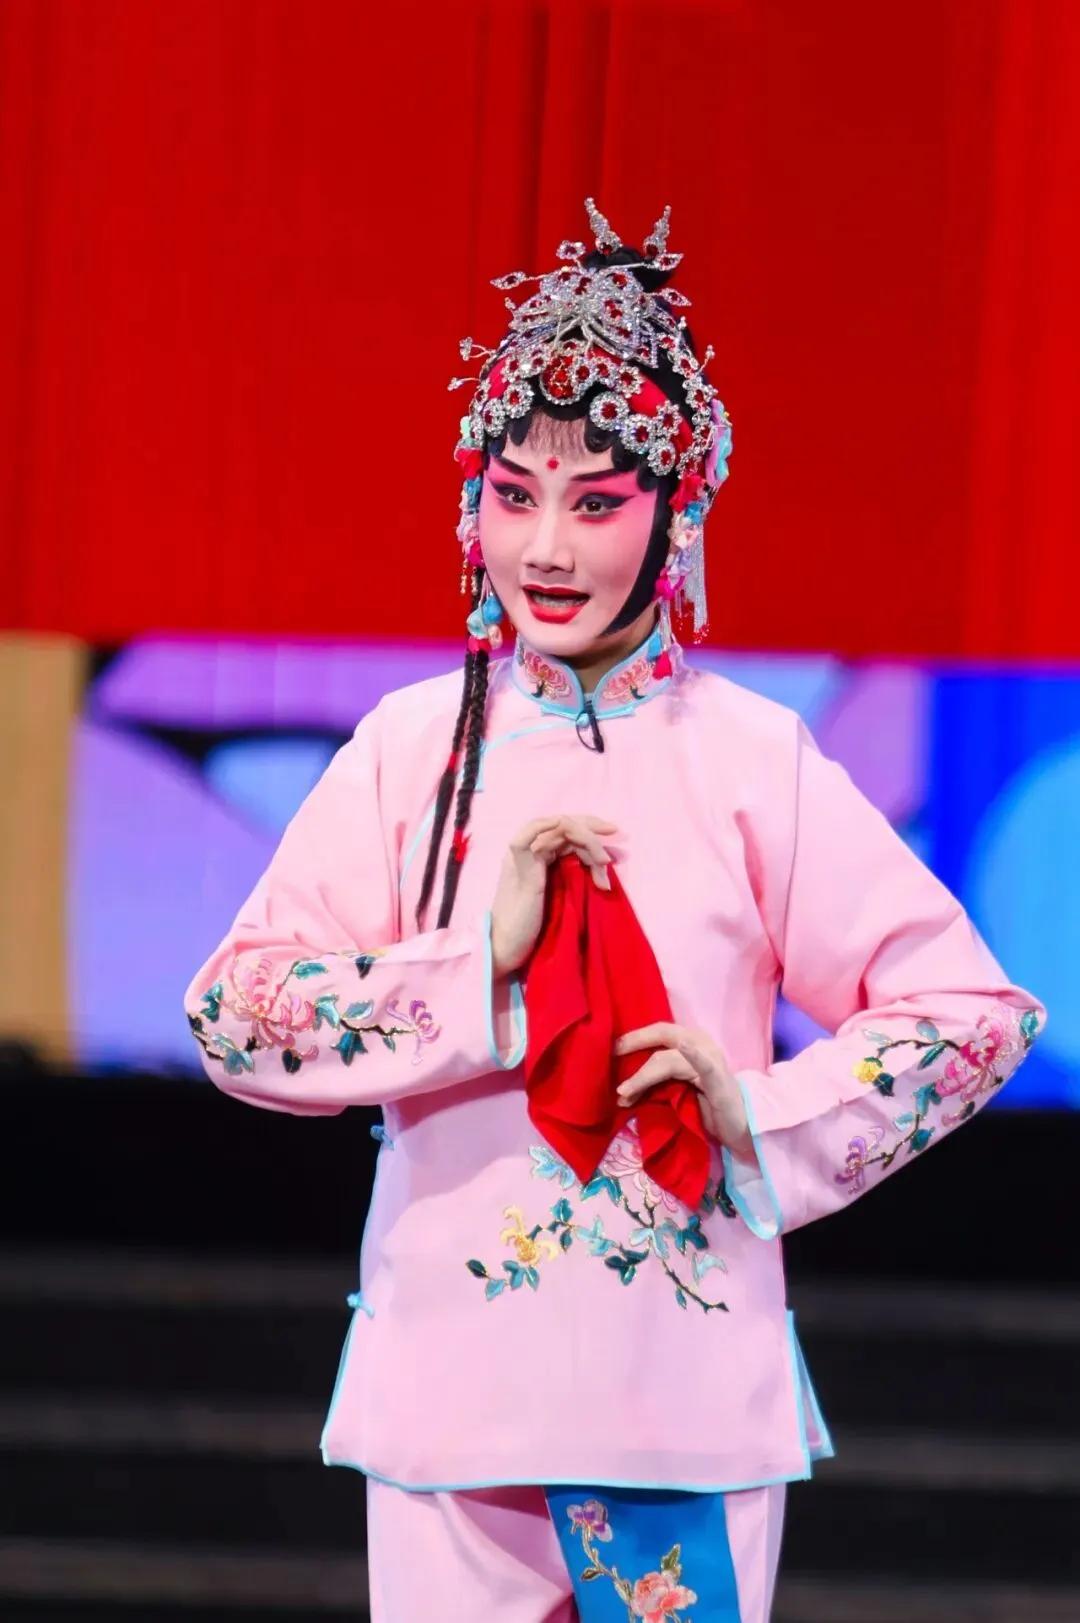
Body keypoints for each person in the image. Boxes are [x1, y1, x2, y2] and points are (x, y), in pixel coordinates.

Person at [185, 200, 1044, 1623]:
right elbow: (233, 1014)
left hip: (676, 1403)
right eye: (513, 492)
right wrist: (478, 973)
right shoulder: (412, 749)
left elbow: (973, 1015)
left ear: (677, 510)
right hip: (448, 1407)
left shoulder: (753, 758)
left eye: (596, 503)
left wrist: (760, 1110)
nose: (546, 545)